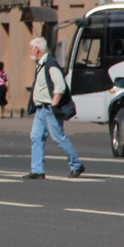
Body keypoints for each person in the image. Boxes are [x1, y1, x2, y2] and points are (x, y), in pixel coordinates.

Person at [23, 36, 84, 179]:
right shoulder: (40, 64)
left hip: (49, 109)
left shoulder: (50, 65)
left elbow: (60, 86)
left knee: (58, 138)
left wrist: (54, 103)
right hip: (40, 109)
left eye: (31, 48)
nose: (29, 51)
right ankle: (37, 170)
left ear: (37, 49)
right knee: (36, 137)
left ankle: (76, 165)